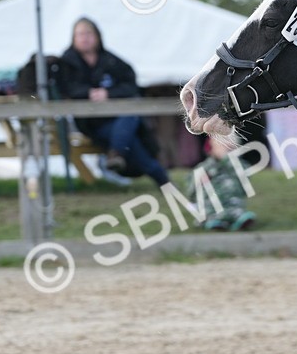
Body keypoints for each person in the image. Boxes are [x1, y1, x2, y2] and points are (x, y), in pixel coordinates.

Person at [58, 17, 169, 187]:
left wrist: (108, 93)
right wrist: (88, 93)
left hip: (117, 119)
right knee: (130, 134)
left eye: (88, 33)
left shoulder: (110, 60)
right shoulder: (66, 63)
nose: (85, 38)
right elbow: (65, 88)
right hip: (91, 124)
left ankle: (117, 154)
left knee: (130, 117)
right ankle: (161, 178)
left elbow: (130, 84)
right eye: (80, 34)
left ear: (97, 36)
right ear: (74, 38)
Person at [185, 137, 256, 231]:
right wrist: (198, 182)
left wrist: (225, 158)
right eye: (221, 146)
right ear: (211, 147)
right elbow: (191, 194)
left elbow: (245, 183)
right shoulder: (204, 167)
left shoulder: (240, 166)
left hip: (234, 205)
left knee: (239, 214)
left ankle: (238, 221)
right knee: (212, 215)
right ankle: (216, 223)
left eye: (229, 148)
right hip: (212, 208)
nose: (225, 150)